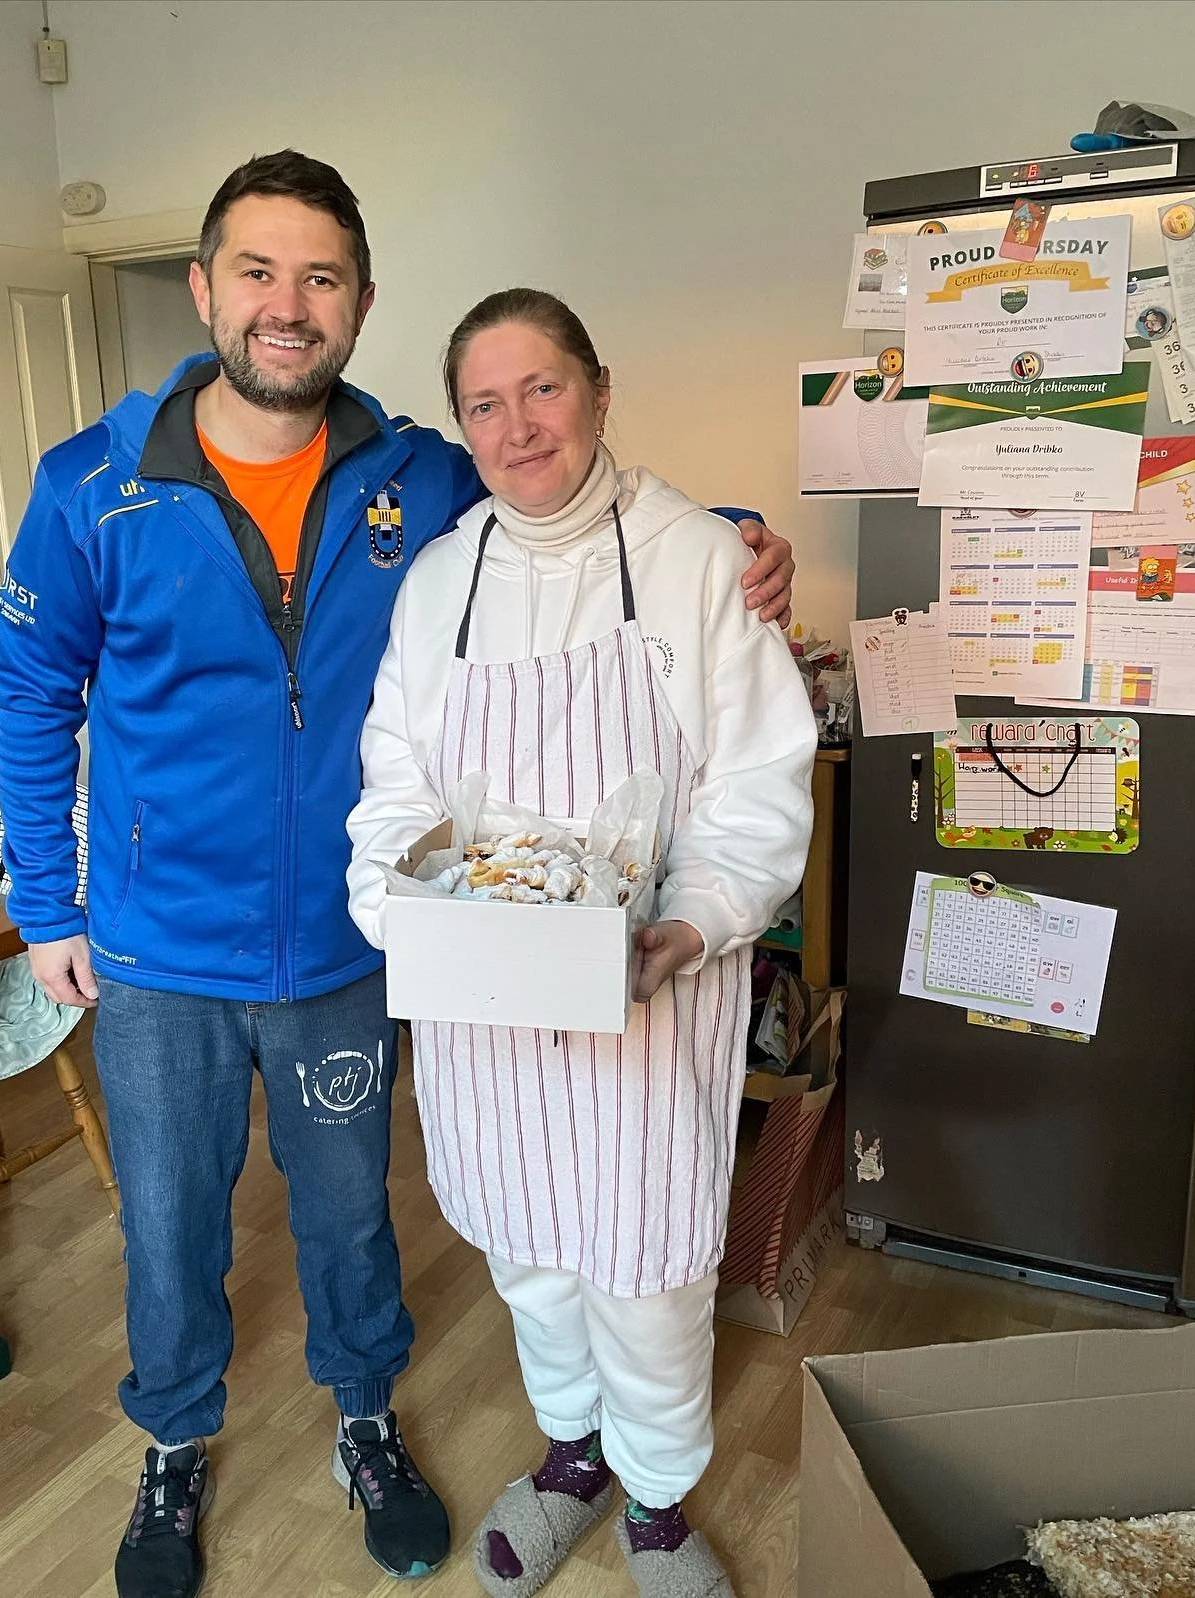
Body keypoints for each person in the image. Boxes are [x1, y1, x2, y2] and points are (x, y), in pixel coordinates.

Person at [0, 152, 796, 1598]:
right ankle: (177, 1445)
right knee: (173, 1228)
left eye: (321, 278)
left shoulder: (410, 477)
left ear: (359, 301)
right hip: (172, 945)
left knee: (364, 1219)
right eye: (257, 271)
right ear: (204, 287)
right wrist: (46, 904)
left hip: (352, 962)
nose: (287, 307)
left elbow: (592, 518)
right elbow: (33, 687)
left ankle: (386, 1427)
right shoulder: (95, 486)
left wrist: (739, 536)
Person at [347, 289, 816, 1598]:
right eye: (484, 403)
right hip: (482, 1002)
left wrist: (694, 920)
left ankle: (658, 1502)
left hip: (653, 989)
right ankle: (571, 1456)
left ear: (599, 391)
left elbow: (759, 784)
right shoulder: (441, 580)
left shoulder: (698, 561)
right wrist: (400, 909)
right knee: (529, 1248)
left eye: (541, 389)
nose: (516, 425)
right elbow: (394, 777)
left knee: (648, 1269)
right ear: (464, 427)